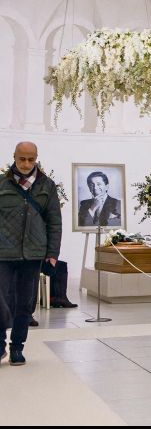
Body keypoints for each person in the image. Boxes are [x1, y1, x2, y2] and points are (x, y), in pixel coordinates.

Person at [0, 142, 62, 366]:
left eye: (30, 159)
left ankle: (17, 347)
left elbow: (54, 222)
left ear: (36, 159)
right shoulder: (2, 183)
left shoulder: (47, 186)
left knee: (25, 303)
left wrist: (52, 253)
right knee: (1, 300)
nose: (26, 164)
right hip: (3, 253)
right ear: (14, 157)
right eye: (21, 159)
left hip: (34, 254)